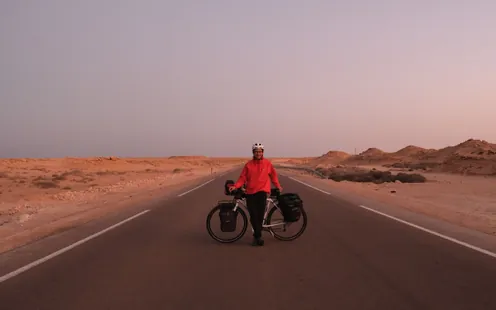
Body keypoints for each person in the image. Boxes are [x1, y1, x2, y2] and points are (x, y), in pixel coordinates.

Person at [229, 143, 283, 246]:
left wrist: (278, 185)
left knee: (259, 215)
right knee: (253, 215)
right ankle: (257, 235)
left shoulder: (267, 164)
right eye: (256, 151)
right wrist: (236, 186)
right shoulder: (248, 165)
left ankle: (257, 237)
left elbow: (273, 176)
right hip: (250, 192)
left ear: (262, 152)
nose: (258, 153)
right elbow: (242, 178)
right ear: (253, 153)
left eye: (260, 151)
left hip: (262, 192)